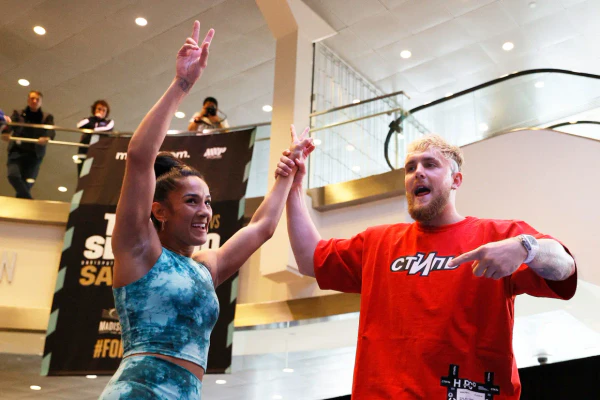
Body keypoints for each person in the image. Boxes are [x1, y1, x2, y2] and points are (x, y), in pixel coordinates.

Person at [99, 21, 313, 399]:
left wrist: (288, 174)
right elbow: (139, 155)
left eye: (208, 201)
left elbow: (262, 227)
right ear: (159, 211)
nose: (204, 211)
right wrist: (182, 84)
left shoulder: (204, 268)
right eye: (191, 201)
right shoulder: (139, 249)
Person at [275, 134, 577, 399]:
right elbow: (310, 258)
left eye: (430, 164)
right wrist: (295, 186)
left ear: (456, 180)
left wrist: (526, 248)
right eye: (410, 168)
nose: (417, 172)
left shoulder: (497, 236)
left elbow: (565, 266)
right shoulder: (378, 242)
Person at [1, 90, 55, 199]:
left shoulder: (47, 117)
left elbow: (51, 130)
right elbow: (11, 125)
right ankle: (29, 200)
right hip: (17, 151)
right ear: (28, 100)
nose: (34, 101)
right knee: (13, 176)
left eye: (37, 99)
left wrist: (47, 137)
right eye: (32, 98)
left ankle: (22, 203)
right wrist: (5, 133)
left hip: (34, 154)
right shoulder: (18, 113)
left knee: (27, 183)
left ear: (41, 102)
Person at [76, 100, 115, 173]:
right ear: (94, 110)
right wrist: (94, 119)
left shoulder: (109, 122)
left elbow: (107, 128)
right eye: (99, 109)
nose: (101, 112)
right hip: (85, 151)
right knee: (83, 173)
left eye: (104, 110)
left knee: (96, 173)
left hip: (100, 152)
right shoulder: (89, 120)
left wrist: (92, 128)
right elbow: (79, 125)